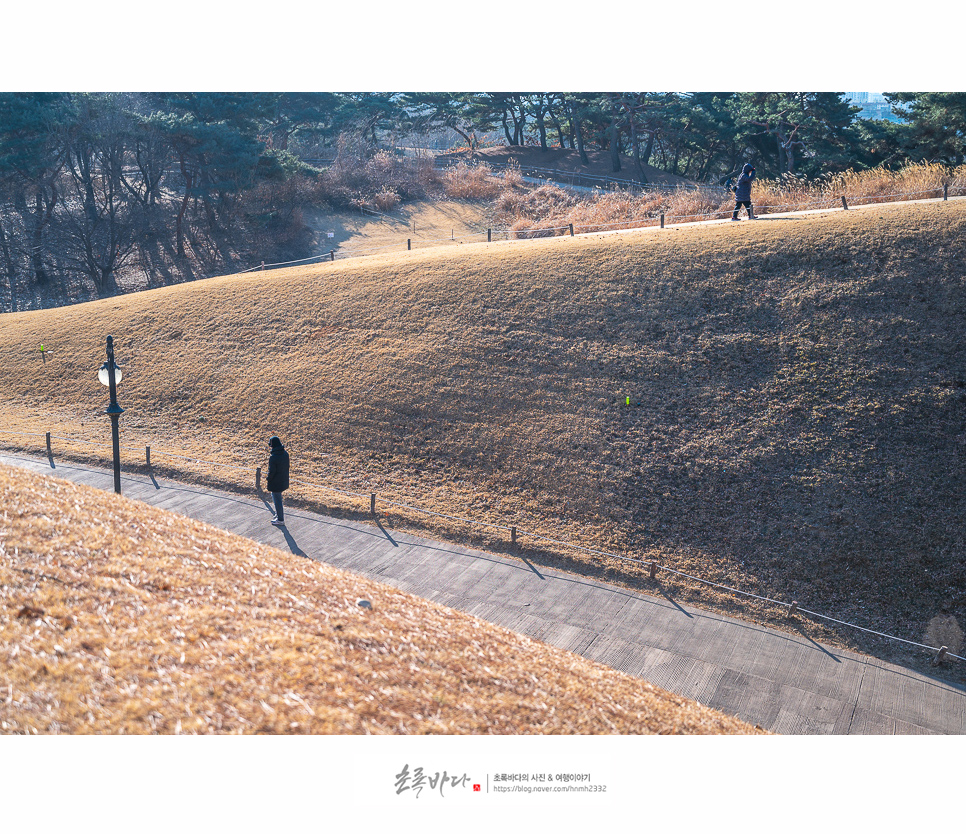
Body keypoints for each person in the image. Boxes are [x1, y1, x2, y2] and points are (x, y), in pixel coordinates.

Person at [266, 435, 290, 526]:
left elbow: (272, 471)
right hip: (283, 479)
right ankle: (278, 515)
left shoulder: (273, 457)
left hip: (276, 482)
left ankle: (280, 519)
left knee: (277, 500)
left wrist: (268, 478)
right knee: (278, 498)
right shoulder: (285, 454)